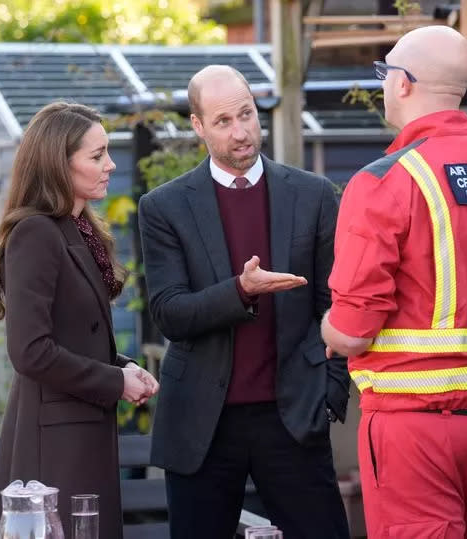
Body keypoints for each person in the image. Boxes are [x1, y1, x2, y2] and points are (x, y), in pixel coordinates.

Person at [321, 26, 467, 539]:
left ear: (403, 83)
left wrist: (325, 328)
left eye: (385, 73)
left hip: (412, 429)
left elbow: (354, 331)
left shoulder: (383, 181)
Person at [138, 65, 351, 539]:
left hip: (294, 415)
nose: (241, 133)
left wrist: (330, 394)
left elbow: (335, 304)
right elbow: (170, 313)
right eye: (223, 122)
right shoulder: (164, 207)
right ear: (197, 126)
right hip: (201, 425)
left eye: (247, 115)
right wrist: (242, 290)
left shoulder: (312, 195)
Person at [0, 102, 159, 539]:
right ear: (59, 164)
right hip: (55, 446)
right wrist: (116, 383)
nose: (110, 165)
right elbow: (30, 351)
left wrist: (121, 366)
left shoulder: (76, 229)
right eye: (96, 156)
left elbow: (76, 336)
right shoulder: (36, 233)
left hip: (81, 431)